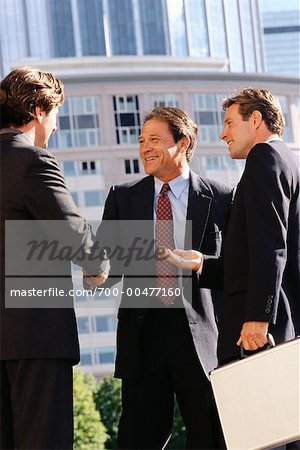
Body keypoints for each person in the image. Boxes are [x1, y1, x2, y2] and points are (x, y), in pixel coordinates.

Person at [94, 107, 233, 449]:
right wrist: (94, 272)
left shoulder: (222, 197)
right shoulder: (122, 197)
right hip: (142, 337)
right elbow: (106, 267)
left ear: (183, 143)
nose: (145, 148)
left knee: (213, 438)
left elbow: (234, 269)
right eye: (141, 141)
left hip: (202, 339)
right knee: (138, 440)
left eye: (155, 139)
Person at [0, 67, 107, 450]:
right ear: (39, 111)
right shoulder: (31, 161)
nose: (57, 127)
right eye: (56, 114)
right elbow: (74, 234)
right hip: (34, 339)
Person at [166, 88, 299, 367]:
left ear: (255, 120)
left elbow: (271, 245)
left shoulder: (265, 157)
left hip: (257, 334)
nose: (223, 134)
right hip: (278, 324)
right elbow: (251, 258)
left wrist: (259, 318)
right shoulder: (288, 160)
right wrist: (202, 263)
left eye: (229, 123)